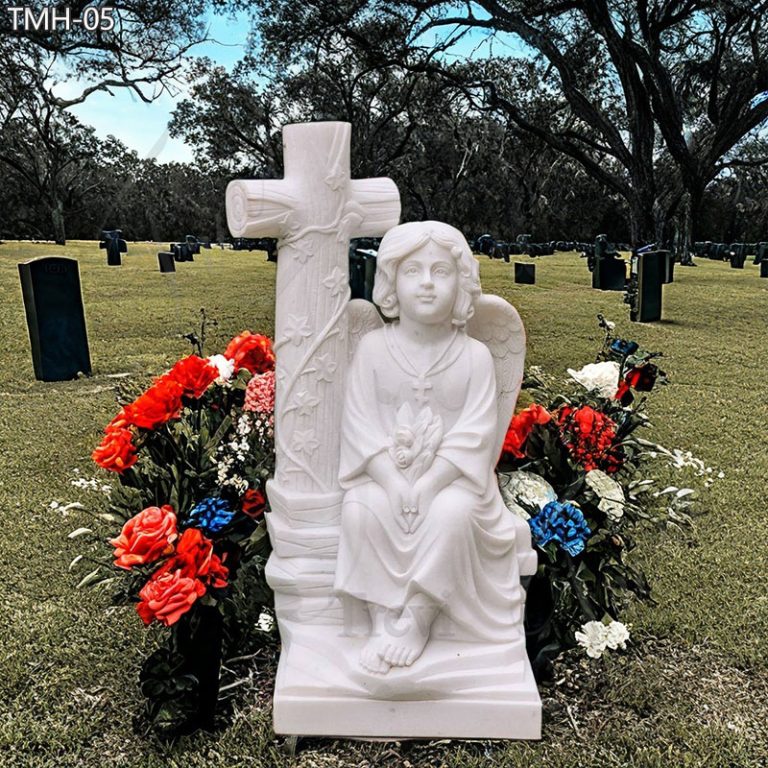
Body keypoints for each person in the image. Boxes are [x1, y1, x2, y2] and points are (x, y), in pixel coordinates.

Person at [334, 221, 524, 675]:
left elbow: (475, 435)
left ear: (462, 284)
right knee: (361, 509)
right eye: (413, 270)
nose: (426, 283)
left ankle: (418, 619)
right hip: (383, 476)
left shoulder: (475, 356)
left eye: (441, 272)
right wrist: (393, 481)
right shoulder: (374, 349)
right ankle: (382, 619)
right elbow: (359, 424)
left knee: (453, 514)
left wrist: (428, 484)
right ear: (391, 281)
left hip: (454, 483)